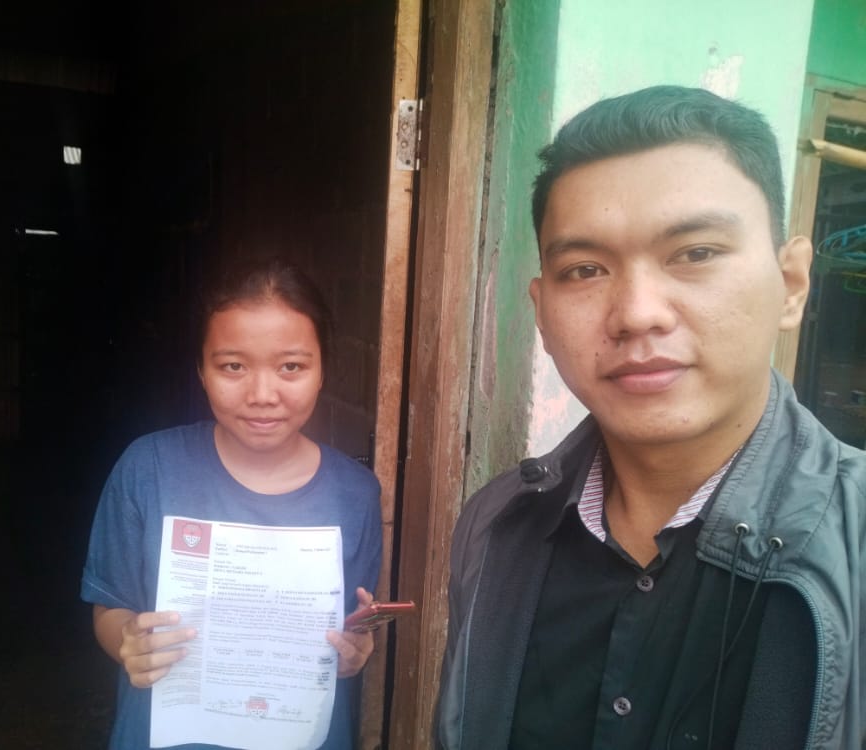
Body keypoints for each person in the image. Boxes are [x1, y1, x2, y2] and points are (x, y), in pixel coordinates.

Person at [435, 85, 866, 750]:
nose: (637, 312)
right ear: (542, 312)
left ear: (792, 284)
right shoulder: (497, 528)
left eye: (695, 253)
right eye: (585, 269)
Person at [82, 258, 382, 749]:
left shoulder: (355, 494)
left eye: (291, 366)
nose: (262, 394)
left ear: (323, 370)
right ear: (201, 370)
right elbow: (110, 607)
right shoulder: (149, 469)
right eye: (233, 366)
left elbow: (350, 628)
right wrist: (127, 642)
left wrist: (355, 652)